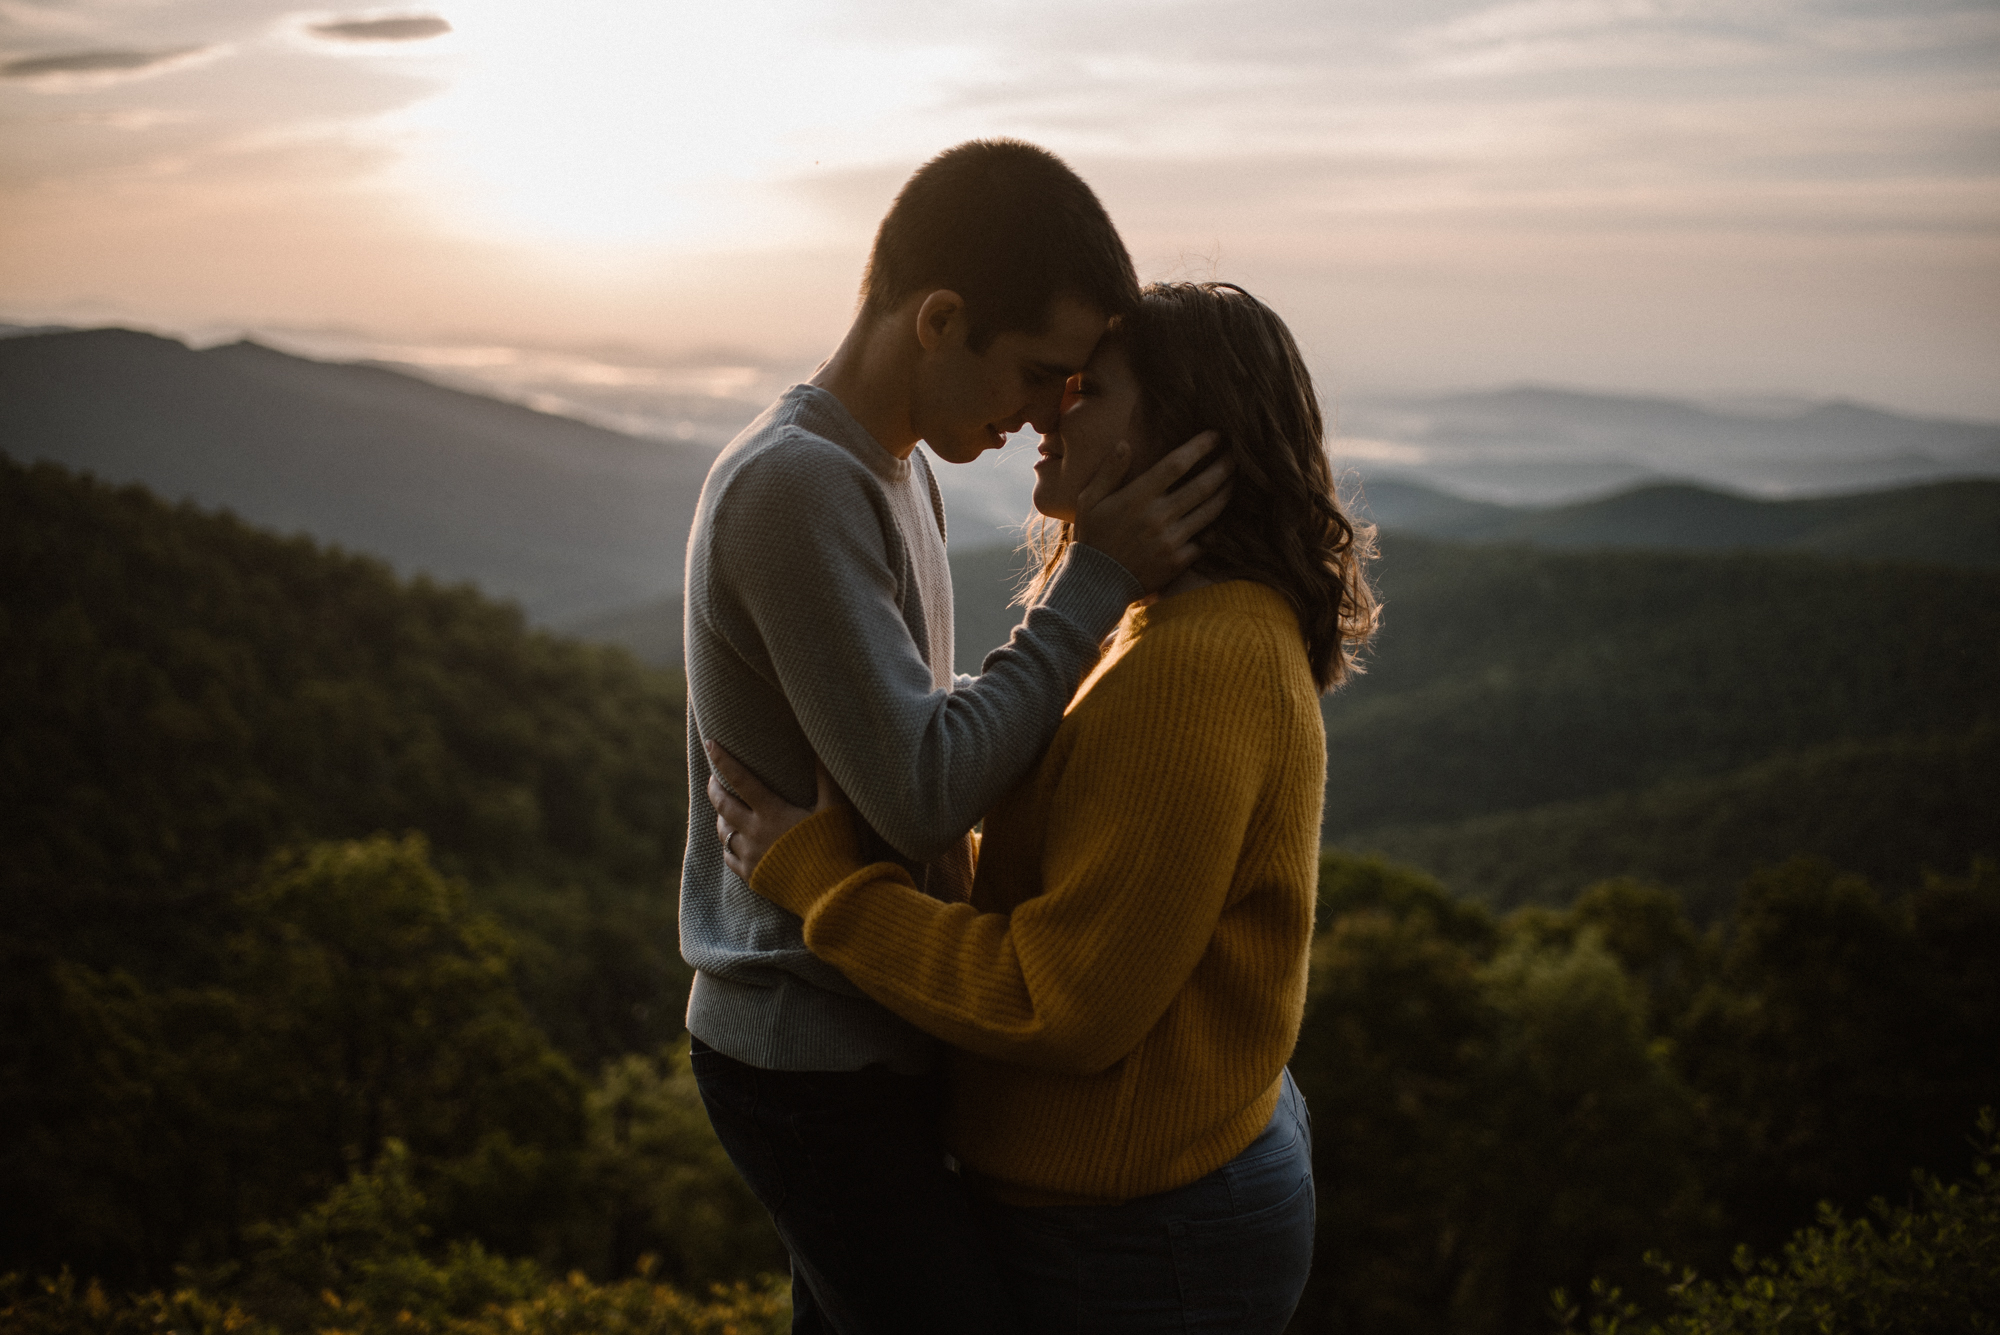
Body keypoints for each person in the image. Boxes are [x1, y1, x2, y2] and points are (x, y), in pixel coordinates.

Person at [707, 280, 1381, 1332]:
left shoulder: (1195, 668)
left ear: (1182, 446)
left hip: (1137, 1233)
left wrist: (820, 883)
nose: (1048, 414)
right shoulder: (1166, 625)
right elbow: (1082, 879)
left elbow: (1055, 999)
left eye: (1089, 391)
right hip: (1141, 1187)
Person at [680, 141, 1232, 1334]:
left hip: (866, 1025)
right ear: (939, 319)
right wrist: (1096, 580)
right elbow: (926, 790)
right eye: (1039, 373)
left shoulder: (887, 469)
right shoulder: (795, 486)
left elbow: (917, 751)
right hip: (808, 1052)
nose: (1046, 415)